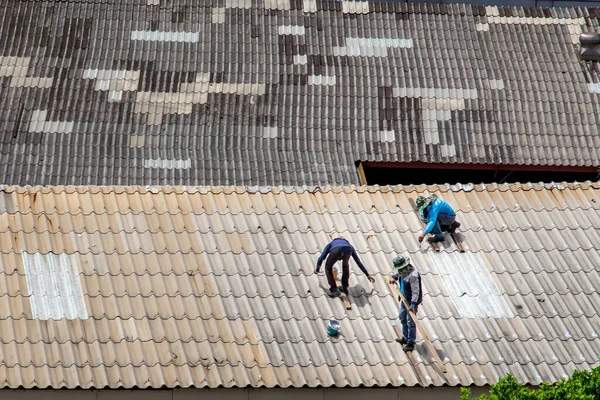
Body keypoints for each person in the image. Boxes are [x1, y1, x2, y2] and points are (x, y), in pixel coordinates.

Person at [388, 256, 422, 352]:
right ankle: (405, 337)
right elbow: (398, 275)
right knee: (402, 317)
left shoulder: (413, 276)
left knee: (410, 321)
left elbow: (416, 292)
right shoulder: (402, 272)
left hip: (411, 302)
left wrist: (412, 305)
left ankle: (410, 342)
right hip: (404, 298)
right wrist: (394, 277)